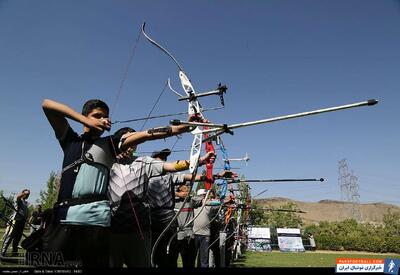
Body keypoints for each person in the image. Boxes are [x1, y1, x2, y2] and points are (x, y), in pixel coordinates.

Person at [41, 99, 193, 267]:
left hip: (95, 222)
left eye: (106, 117)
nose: (103, 120)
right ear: (85, 116)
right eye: (97, 115)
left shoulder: (109, 144)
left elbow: (145, 135)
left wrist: (182, 128)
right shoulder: (70, 141)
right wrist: (85, 120)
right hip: (63, 220)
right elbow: (47, 105)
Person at [108, 130, 215, 268]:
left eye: (135, 142)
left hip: (150, 223)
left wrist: (201, 163)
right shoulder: (109, 159)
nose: (163, 160)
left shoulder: (147, 164)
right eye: (161, 156)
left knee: (164, 257)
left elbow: (177, 168)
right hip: (118, 224)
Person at [193, 189, 221, 268]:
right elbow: (193, 199)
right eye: (203, 195)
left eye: (205, 195)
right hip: (194, 233)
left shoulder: (209, 205)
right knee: (191, 258)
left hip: (205, 235)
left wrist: (215, 198)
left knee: (204, 259)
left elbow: (219, 204)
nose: (205, 197)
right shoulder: (194, 204)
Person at [1, 189, 30, 257]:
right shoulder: (19, 200)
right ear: (23, 194)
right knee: (10, 236)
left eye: (29, 195)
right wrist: (23, 193)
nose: (28, 196)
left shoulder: (26, 203)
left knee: (17, 238)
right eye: (27, 194)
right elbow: (17, 197)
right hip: (16, 220)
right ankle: (3, 251)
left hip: (22, 222)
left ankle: (14, 252)